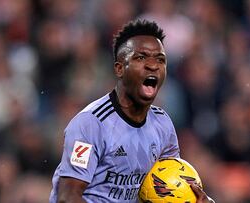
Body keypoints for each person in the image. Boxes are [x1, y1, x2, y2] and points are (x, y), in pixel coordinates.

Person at [49, 19, 214, 203]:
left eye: (160, 59)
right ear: (120, 69)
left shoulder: (162, 124)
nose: (153, 65)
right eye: (140, 57)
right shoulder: (91, 124)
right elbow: (67, 197)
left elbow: (167, 189)